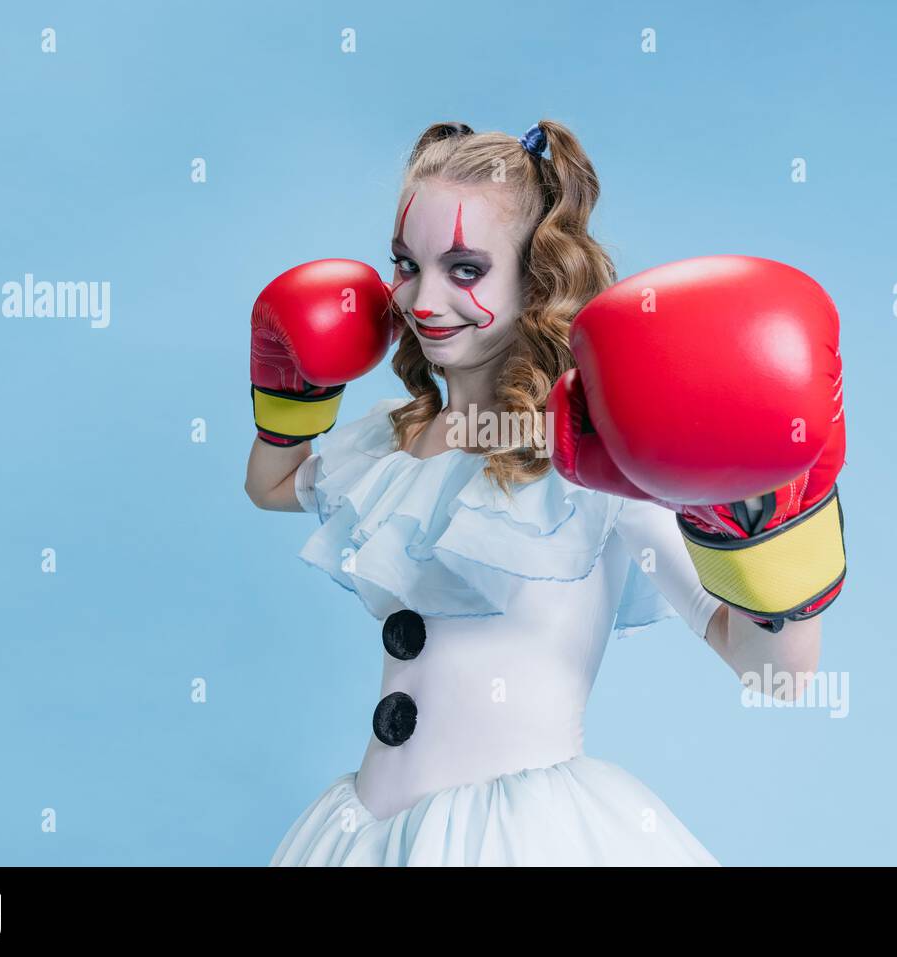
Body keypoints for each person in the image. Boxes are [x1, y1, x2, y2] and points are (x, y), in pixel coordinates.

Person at [243, 120, 846, 866]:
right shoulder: (391, 439)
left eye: (465, 269)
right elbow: (269, 485)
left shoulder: (592, 456)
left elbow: (777, 675)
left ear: (535, 278)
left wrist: (768, 529)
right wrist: (289, 389)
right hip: (364, 833)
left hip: (518, 839)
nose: (423, 298)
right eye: (406, 264)